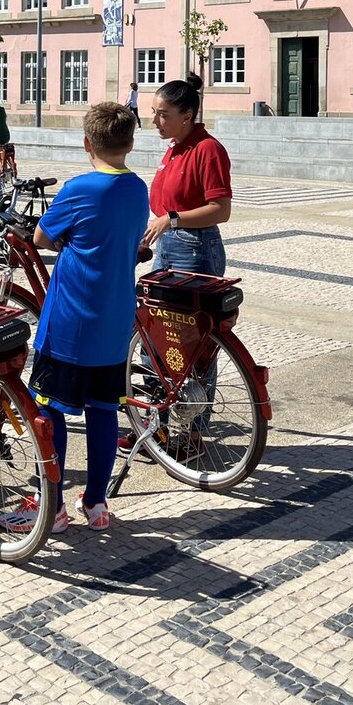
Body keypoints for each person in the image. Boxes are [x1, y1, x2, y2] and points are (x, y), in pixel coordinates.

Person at [1, 102, 148, 536]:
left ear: (87, 143)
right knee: (104, 410)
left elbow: (42, 237)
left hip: (71, 319)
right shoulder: (138, 188)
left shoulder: (80, 188)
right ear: (130, 143)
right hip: (114, 319)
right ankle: (96, 503)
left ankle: (52, 506)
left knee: (48, 410)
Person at [121, 72, 233, 458]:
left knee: (196, 345)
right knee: (155, 337)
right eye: (153, 112)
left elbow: (220, 209)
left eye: (162, 114)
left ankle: (194, 435)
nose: (153, 120)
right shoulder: (174, 148)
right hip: (168, 247)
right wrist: (152, 229)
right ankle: (156, 428)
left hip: (195, 250)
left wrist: (172, 219)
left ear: (187, 116)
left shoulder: (207, 149)